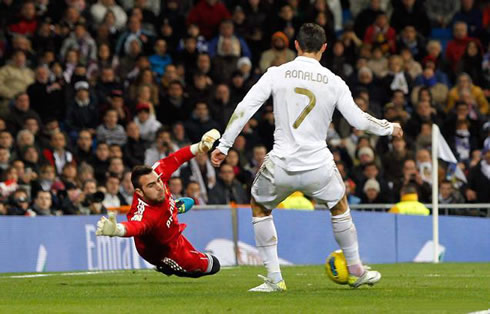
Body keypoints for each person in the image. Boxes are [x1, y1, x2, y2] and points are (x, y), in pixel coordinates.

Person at [211, 23, 403, 292]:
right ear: (324, 48)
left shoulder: (277, 73)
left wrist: (225, 144)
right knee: (339, 207)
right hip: (318, 165)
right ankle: (357, 269)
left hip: (281, 163)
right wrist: (389, 127)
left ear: (296, 45)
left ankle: (275, 279)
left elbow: (246, 107)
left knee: (259, 207)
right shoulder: (334, 81)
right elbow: (358, 120)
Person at [95, 129, 221, 278]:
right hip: (162, 251)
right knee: (213, 265)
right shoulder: (144, 214)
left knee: (184, 202)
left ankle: (172, 208)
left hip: (174, 235)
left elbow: (176, 158)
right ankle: (166, 266)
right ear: (139, 192)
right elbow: (134, 226)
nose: (159, 187)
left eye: (158, 181)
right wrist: (116, 230)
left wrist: (200, 147)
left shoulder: (156, 173)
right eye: (151, 186)